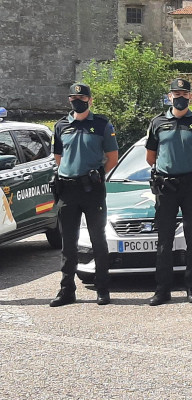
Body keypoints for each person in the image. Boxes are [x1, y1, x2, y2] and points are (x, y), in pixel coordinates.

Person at [145, 78, 192, 306]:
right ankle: (162, 290)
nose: (180, 97)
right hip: (166, 188)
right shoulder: (157, 123)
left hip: (191, 186)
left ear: (190, 96)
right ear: (169, 96)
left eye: (184, 93)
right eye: (176, 93)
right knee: (164, 239)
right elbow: (150, 157)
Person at [49, 83, 119, 307]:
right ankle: (67, 290)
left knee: (98, 240)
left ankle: (102, 288)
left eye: (81, 97)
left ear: (90, 100)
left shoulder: (101, 124)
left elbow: (112, 157)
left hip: (92, 190)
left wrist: (96, 175)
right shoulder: (61, 126)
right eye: (73, 98)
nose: (77, 101)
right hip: (68, 190)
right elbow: (59, 157)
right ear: (69, 100)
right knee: (68, 243)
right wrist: (72, 173)